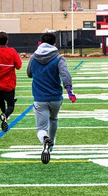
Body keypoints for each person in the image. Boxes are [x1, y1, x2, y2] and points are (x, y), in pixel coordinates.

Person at [27, 33, 76, 164]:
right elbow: (65, 75)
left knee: (41, 129)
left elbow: (29, 73)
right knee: (53, 119)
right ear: (54, 43)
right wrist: (70, 91)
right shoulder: (58, 58)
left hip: (39, 97)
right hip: (55, 97)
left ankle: (45, 139)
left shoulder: (34, 57)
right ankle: (51, 144)